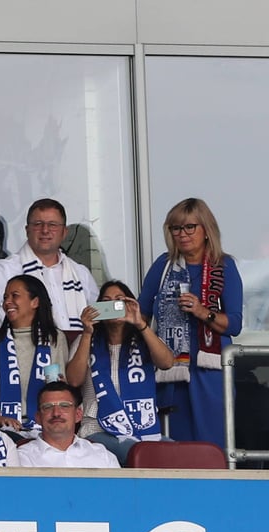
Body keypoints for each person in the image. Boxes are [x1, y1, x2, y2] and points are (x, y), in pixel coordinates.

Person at [139, 198, 243, 447]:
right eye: (175, 228)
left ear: (206, 230)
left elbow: (235, 325)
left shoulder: (224, 266)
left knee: (213, 447)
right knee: (175, 448)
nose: (182, 234)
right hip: (171, 373)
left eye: (189, 227)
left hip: (211, 373)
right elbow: (141, 314)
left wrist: (201, 311)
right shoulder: (163, 266)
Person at [66, 280, 176, 465]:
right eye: (106, 301)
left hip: (142, 430)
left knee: (179, 455)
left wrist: (140, 323)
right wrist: (87, 332)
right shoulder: (85, 339)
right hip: (97, 428)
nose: (112, 305)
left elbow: (166, 363)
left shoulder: (144, 340)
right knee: (138, 454)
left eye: (119, 300)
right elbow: (74, 380)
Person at [0, 198, 98, 331]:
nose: (45, 230)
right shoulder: (6, 270)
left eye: (52, 225)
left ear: (64, 232)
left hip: (76, 357)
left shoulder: (80, 273)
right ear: (27, 230)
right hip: (22, 357)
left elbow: (99, 317)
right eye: (38, 224)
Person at [0, 274, 69, 440]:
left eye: (15, 296)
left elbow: (61, 387)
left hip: (45, 427)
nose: (7, 302)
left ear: (35, 302)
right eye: (5, 297)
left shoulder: (55, 339)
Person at [17, 382, 120, 468]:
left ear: (78, 414)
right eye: (48, 407)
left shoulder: (101, 454)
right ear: (38, 417)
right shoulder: (22, 457)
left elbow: (120, 491)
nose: (56, 413)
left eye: (64, 406)